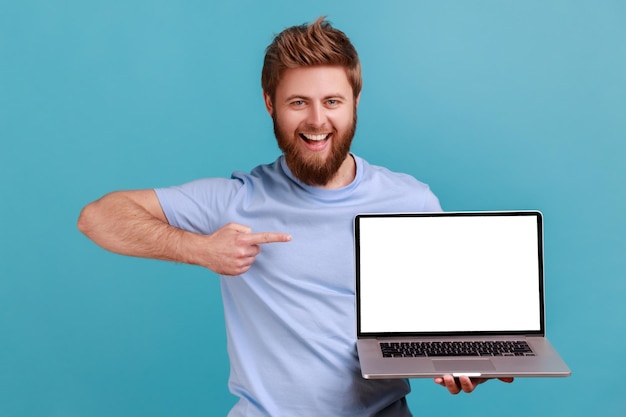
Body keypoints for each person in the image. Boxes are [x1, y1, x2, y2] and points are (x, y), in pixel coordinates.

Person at [78, 17, 512, 417]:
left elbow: (449, 325)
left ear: (355, 101)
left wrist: (475, 364)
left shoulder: (410, 201)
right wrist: (201, 249)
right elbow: (98, 217)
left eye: (333, 101)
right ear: (270, 104)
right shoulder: (237, 199)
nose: (317, 120)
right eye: (299, 102)